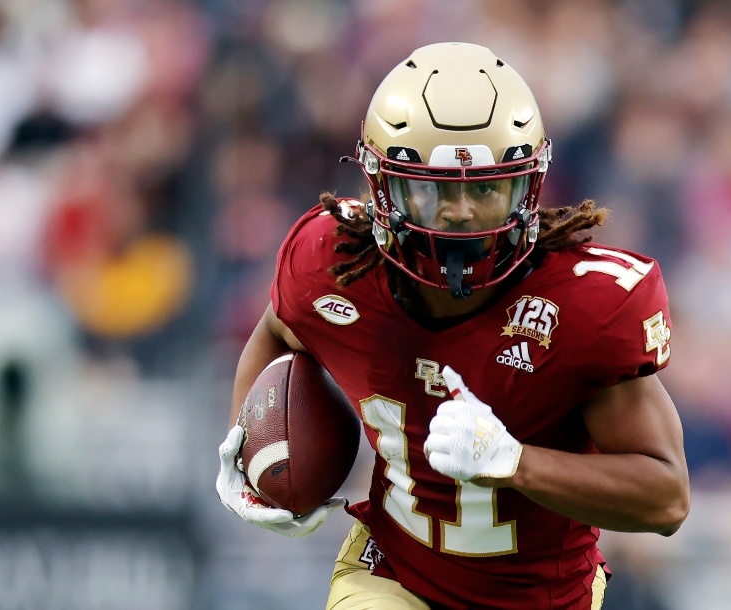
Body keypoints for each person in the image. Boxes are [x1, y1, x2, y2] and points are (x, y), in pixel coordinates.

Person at [216, 42, 689, 610]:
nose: (460, 213)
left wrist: (514, 462)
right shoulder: (332, 264)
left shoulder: (582, 307)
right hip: (394, 574)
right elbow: (278, 329)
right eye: (433, 189)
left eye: (485, 188)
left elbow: (666, 498)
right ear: (381, 188)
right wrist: (250, 447)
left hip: (544, 598)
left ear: (529, 187)